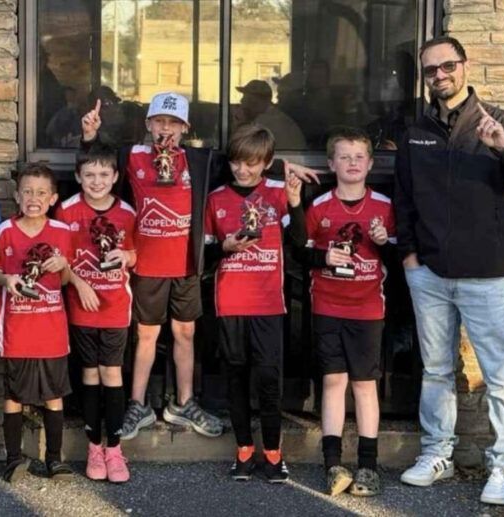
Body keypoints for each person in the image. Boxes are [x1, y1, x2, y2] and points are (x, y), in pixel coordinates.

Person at [80, 92, 318, 441]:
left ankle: (184, 402)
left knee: (186, 333)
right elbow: (96, 164)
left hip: (188, 263)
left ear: (185, 128)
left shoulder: (197, 158)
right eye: (160, 121)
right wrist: (89, 136)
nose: (166, 129)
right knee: (146, 334)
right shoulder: (132, 155)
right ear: (148, 124)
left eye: (174, 123)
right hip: (147, 262)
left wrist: (285, 166)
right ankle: (137, 403)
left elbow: (244, 163)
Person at [394, 36, 504, 506]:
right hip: (430, 274)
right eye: (430, 70)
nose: (439, 75)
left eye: (447, 66)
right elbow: (404, 198)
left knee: (500, 375)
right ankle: (437, 453)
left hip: (487, 274)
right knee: (436, 370)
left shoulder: (500, 122)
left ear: (464, 66)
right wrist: (410, 257)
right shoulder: (415, 131)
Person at [203, 124, 305, 483]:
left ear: (267, 163)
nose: (242, 170)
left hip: (269, 304)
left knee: (269, 380)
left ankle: (274, 454)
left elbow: (301, 241)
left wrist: (295, 203)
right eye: (236, 163)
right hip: (230, 303)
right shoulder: (215, 198)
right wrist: (223, 248)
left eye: (251, 163)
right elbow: (202, 254)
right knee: (236, 378)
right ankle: (244, 450)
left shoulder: (280, 192)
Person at [302, 127, 395, 497]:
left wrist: (384, 242)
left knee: (365, 385)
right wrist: (324, 257)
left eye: (359, 157)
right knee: (333, 382)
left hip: (368, 308)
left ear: (371, 163)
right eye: (344, 156)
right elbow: (301, 254)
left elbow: (401, 258)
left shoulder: (386, 207)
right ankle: (333, 464)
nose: (352, 163)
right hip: (328, 304)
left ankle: (368, 467)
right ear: (331, 164)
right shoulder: (320, 207)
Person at [0, 164, 76, 483]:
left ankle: (54, 459)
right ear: (16, 195)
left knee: (54, 393)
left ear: (52, 198)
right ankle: (13, 459)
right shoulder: (4, 232)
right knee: (14, 394)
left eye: (41, 192)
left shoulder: (63, 233)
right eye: (27, 191)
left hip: (52, 330)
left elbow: (65, 281)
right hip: (17, 329)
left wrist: (63, 264)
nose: (33, 198)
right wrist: (6, 278)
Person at [55, 146, 136, 483]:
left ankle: (115, 449)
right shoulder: (66, 211)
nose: (97, 181)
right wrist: (79, 284)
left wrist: (126, 256)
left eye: (104, 174)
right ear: (78, 177)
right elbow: (59, 260)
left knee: (112, 374)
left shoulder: (127, 212)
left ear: (115, 177)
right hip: (83, 307)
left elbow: (135, 253)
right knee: (90, 374)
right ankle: (93, 447)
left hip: (116, 306)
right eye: (89, 175)